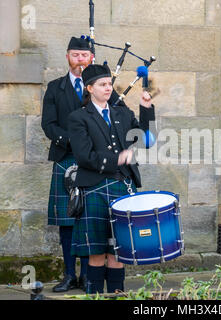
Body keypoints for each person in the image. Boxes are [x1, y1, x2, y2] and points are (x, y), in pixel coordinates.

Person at [67, 63, 155, 294]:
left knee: (119, 252)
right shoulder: (78, 118)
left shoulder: (121, 113)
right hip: (94, 187)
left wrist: (147, 108)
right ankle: (94, 297)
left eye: (109, 84)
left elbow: (145, 138)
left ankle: (118, 296)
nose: (108, 88)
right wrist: (117, 158)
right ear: (89, 88)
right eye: (102, 85)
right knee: (97, 253)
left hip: (122, 187)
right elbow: (84, 156)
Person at [41, 36, 96, 292]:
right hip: (65, 157)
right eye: (75, 55)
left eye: (84, 56)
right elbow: (48, 124)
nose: (80, 60)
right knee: (66, 220)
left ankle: (87, 276)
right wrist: (71, 140)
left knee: (87, 219)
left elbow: (113, 118)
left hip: (91, 162)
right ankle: (68, 275)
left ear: (91, 58)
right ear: (67, 57)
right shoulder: (55, 88)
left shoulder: (100, 86)